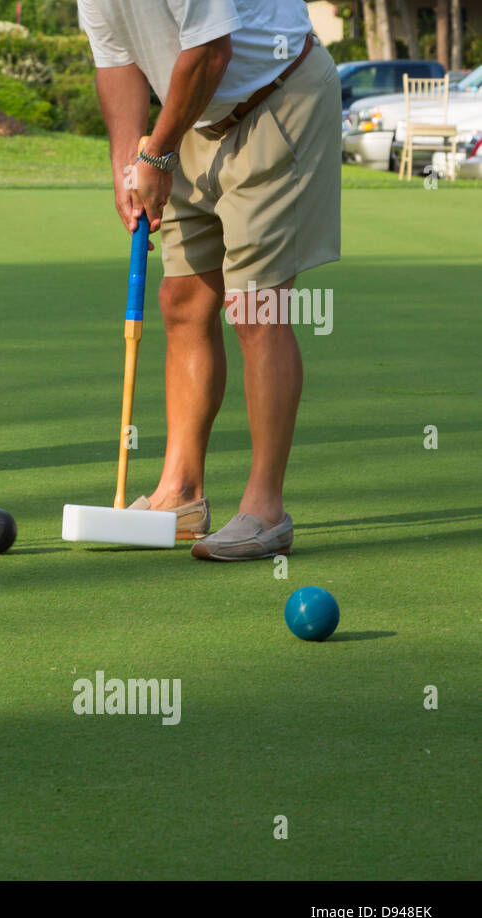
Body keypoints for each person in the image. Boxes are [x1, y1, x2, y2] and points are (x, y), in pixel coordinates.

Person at [78, 0, 341, 560]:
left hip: (277, 98)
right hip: (193, 112)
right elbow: (117, 61)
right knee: (182, 299)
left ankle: (265, 509)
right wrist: (130, 165)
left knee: (256, 308)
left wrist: (159, 154)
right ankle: (182, 494)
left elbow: (211, 50)